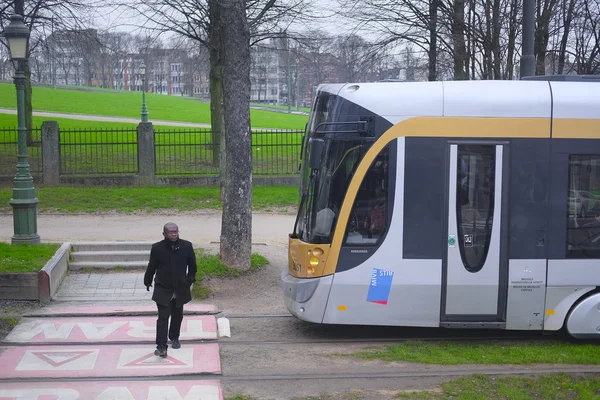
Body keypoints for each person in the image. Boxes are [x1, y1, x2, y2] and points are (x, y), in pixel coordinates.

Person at [144, 222, 197, 358]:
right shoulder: (157, 248)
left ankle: (174, 337)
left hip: (180, 288)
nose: (174, 234)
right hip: (163, 287)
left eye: (176, 231)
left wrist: (189, 280)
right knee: (163, 317)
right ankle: (161, 346)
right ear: (164, 234)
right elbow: (152, 266)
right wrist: (147, 280)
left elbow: (192, 266)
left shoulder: (186, 246)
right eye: (170, 232)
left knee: (177, 315)